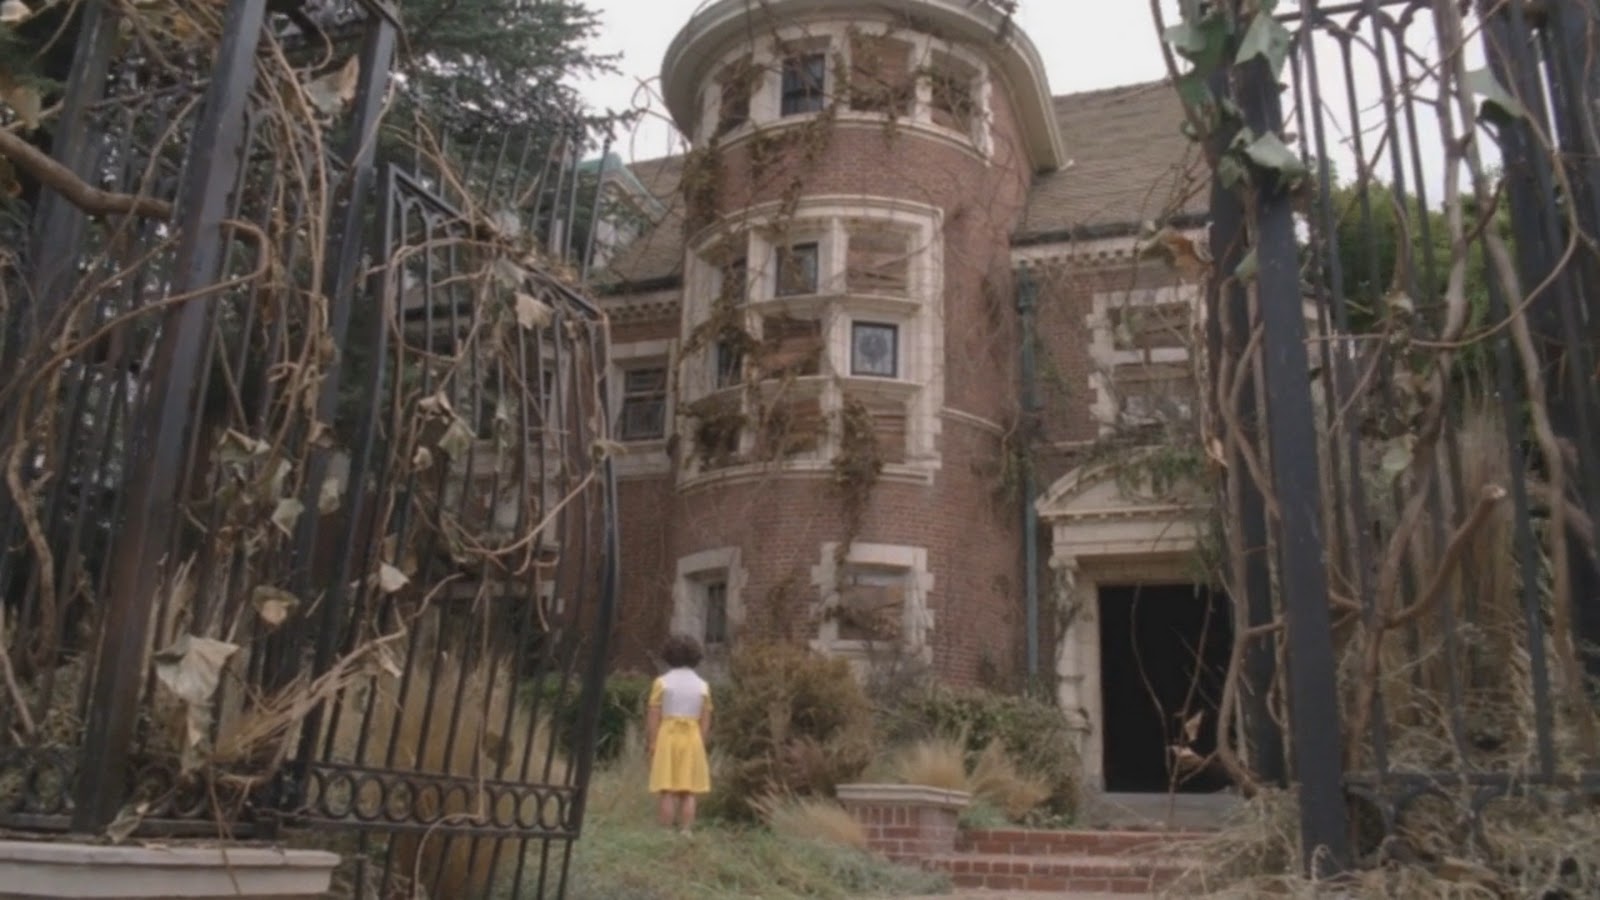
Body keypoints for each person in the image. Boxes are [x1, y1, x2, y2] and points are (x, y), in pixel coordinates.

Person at [645, 634, 713, 835]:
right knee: (688, 790)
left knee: (666, 788)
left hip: (668, 734)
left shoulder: (662, 682)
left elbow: (654, 713)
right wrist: (701, 741)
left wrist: (652, 741)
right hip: (692, 736)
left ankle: (665, 830)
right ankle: (686, 830)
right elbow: (706, 717)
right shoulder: (703, 686)